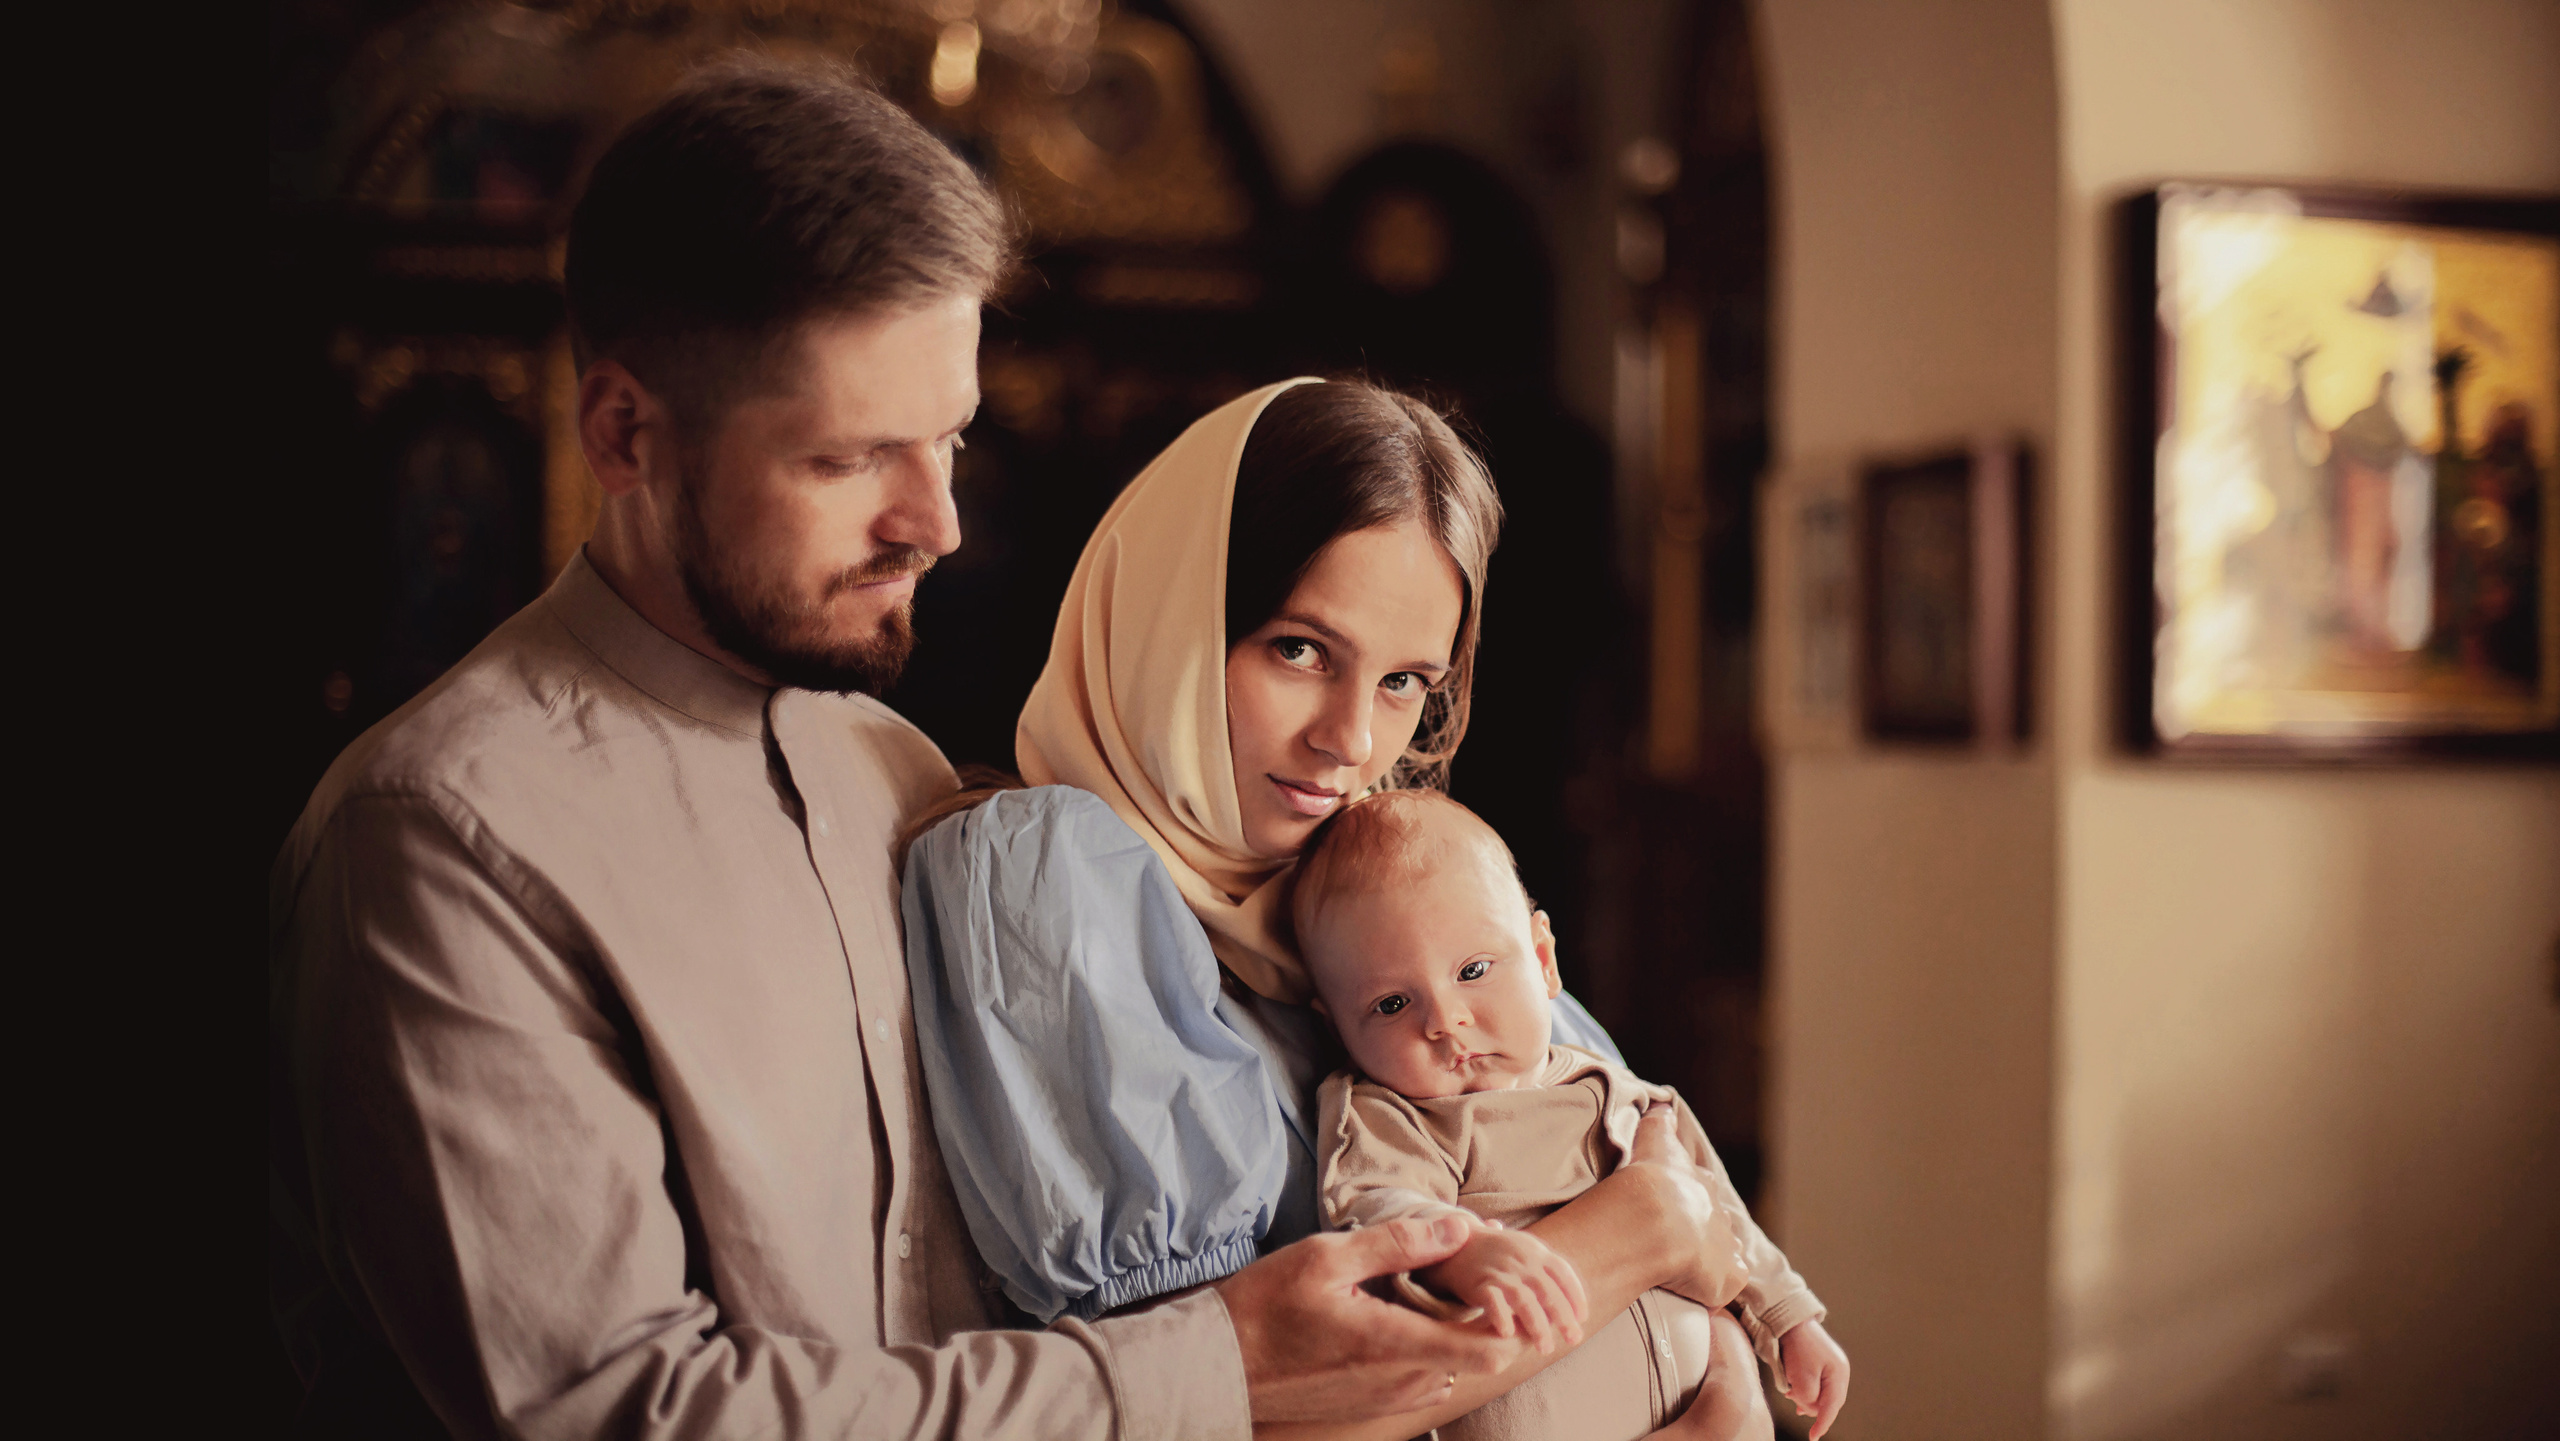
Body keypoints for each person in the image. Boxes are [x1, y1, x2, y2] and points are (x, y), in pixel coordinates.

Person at [270, 63, 1704, 1440]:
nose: (937, 522)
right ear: (626, 433)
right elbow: (620, 1414)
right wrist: (1223, 1367)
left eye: (949, 440)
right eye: (851, 458)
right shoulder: (446, 835)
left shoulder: (893, 772)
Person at [902, 377, 1759, 1441]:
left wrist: (1726, 1369)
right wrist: (1644, 1230)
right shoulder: (1046, 879)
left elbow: (1697, 1237)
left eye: (1404, 681)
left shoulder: (1397, 888)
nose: (1351, 741)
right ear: (1171, 613)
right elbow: (1221, 1405)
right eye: (1299, 649)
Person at [1293, 788, 1851, 1441]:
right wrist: (1463, 1253)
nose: (1445, 1021)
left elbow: (1723, 1217)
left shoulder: (1628, 1095)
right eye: (1391, 1004)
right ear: (1335, 1025)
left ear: (1542, 959)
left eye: (1473, 969)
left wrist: (1789, 1320)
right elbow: (1378, 1208)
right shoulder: (1391, 1115)